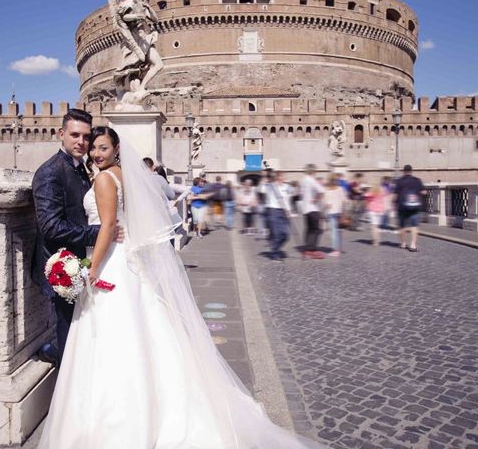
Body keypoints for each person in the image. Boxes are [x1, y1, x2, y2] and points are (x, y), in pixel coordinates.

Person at [37, 129, 320, 448]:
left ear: (117, 148)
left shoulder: (104, 179)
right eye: (94, 149)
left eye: (103, 147)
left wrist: (90, 268)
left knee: (110, 336)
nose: (96, 154)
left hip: (111, 263)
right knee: (145, 329)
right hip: (130, 264)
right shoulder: (126, 175)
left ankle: (118, 419)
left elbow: (106, 230)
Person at [32, 109, 102, 366]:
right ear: (61, 134)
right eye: (74, 135)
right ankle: (65, 388)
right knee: (67, 331)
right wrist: (98, 233)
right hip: (61, 266)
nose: (81, 142)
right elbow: (51, 227)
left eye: (86, 136)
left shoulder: (81, 168)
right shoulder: (49, 172)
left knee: (80, 331)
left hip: (82, 261)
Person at [393, 164, 427, 252]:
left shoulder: (399, 181)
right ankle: (413, 245)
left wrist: (394, 204)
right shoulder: (417, 180)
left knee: (402, 226)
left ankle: (403, 243)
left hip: (402, 207)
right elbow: (424, 192)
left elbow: (395, 195)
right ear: (411, 171)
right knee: (414, 226)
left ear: (403, 171)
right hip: (414, 206)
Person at [260, 169, 292, 261]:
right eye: (281, 177)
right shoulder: (270, 186)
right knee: (277, 233)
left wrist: (288, 211)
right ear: (277, 178)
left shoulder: (287, 187)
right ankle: (275, 253)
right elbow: (262, 190)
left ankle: (274, 247)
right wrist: (264, 178)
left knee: (286, 235)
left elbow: (287, 200)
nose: (283, 178)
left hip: (283, 211)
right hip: (272, 211)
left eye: (284, 177)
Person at [299, 164, 325, 259]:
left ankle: (307, 249)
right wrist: (316, 199)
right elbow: (321, 190)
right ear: (313, 171)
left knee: (309, 229)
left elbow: (301, 194)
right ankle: (312, 250)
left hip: (305, 208)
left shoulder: (302, 181)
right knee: (316, 230)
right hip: (313, 208)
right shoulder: (311, 180)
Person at [322, 175, 346, 257]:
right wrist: (343, 211)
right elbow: (344, 201)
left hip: (331, 212)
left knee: (333, 232)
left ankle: (335, 250)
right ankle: (338, 249)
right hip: (338, 212)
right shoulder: (340, 189)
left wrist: (326, 206)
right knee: (337, 231)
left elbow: (325, 202)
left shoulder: (326, 190)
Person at [364, 181, 387, 247]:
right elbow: (386, 196)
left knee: (374, 227)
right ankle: (378, 240)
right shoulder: (383, 190)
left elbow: (365, 195)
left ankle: (375, 241)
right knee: (377, 227)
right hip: (380, 210)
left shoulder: (372, 191)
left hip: (373, 210)